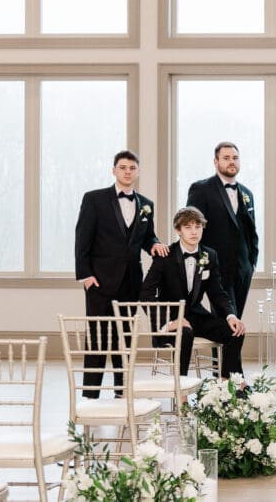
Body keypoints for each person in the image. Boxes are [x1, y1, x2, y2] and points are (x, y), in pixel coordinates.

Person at [74, 150, 168, 398]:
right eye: (123, 167)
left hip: (131, 282)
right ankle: (90, 395)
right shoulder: (94, 199)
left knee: (124, 338)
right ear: (113, 170)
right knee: (97, 337)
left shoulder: (146, 204)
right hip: (99, 281)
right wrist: (86, 275)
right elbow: (82, 238)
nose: (127, 172)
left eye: (132, 168)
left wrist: (155, 244)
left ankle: (121, 391)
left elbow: (147, 237)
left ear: (137, 172)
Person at [140, 206, 246, 380]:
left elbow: (217, 293)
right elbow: (146, 294)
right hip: (170, 320)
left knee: (235, 331)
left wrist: (231, 316)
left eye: (198, 226)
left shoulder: (210, 255)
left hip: (197, 317)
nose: (194, 232)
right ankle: (180, 388)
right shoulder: (165, 256)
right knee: (185, 333)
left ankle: (228, 384)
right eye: (188, 227)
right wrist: (167, 322)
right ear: (178, 230)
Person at [187, 142, 258, 317]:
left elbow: (251, 231)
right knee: (227, 320)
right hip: (217, 268)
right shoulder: (201, 189)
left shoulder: (247, 193)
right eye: (226, 158)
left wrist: (252, 262)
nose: (231, 161)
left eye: (235, 158)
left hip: (243, 269)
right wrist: (202, 262)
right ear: (216, 162)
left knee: (235, 320)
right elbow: (192, 227)